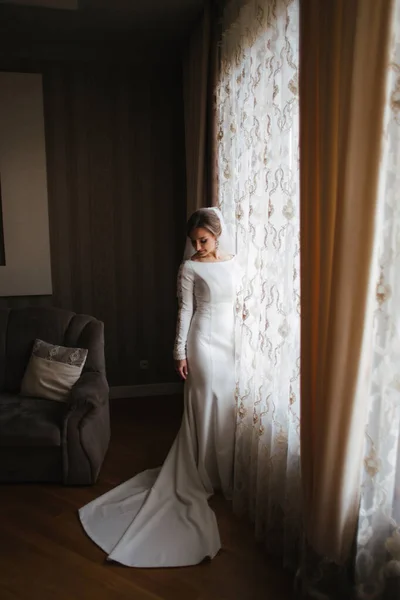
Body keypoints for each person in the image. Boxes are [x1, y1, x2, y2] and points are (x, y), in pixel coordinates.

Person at [79, 207, 240, 568]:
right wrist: (178, 352)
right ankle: (202, 470)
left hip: (231, 343)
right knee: (204, 403)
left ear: (218, 234)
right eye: (193, 241)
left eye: (204, 239)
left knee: (226, 405)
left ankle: (222, 469)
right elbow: (184, 311)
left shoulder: (234, 262)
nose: (197, 246)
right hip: (202, 342)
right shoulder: (190, 268)